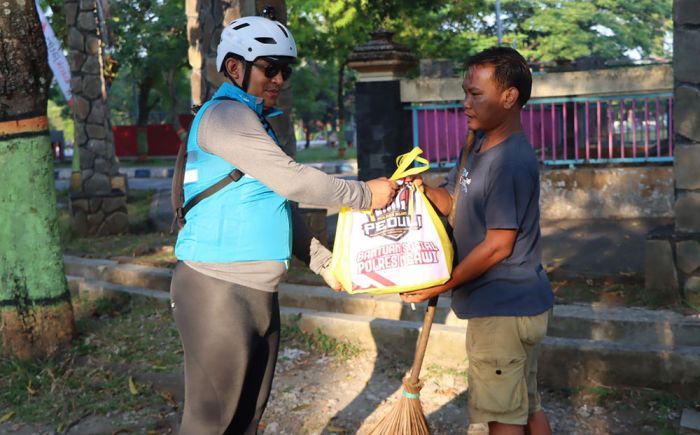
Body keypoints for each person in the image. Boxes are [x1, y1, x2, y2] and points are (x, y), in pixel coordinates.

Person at [169, 16, 397, 434]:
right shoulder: (225, 117)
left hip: (255, 293)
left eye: (285, 71)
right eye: (270, 67)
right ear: (235, 68)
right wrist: (366, 195)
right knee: (210, 424)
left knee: (246, 420)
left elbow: (278, 204)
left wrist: (324, 263)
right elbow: (295, 180)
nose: (279, 79)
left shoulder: (254, 123)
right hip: (217, 289)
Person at [400, 47, 554, 435]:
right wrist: (422, 190)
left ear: (508, 97)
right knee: (525, 405)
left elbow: (498, 245)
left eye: (475, 94)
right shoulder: (478, 145)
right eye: (465, 93)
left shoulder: (509, 162)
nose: (465, 103)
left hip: (503, 310)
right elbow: (453, 201)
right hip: (513, 307)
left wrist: (441, 284)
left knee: (502, 418)